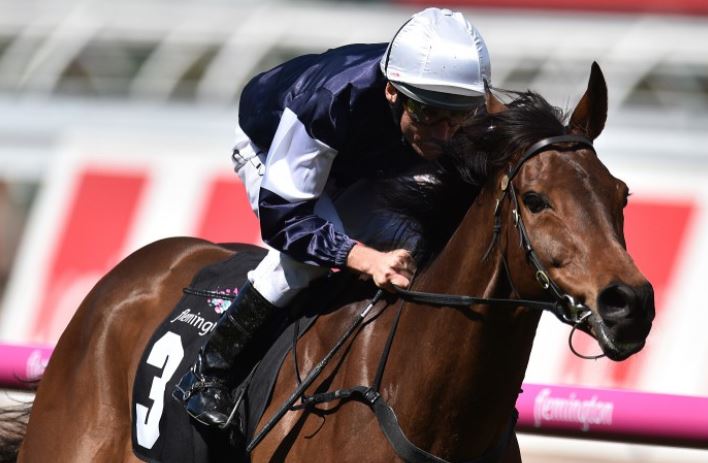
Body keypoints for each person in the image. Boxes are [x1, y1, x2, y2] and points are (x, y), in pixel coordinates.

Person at [175, 7, 491, 427]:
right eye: (428, 114)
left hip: (359, 163)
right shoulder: (329, 98)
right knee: (305, 263)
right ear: (392, 91)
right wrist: (365, 258)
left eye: (459, 115)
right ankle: (209, 373)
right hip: (274, 147)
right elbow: (285, 220)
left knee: (427, 240)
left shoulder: (461, 108)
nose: (444, 133)